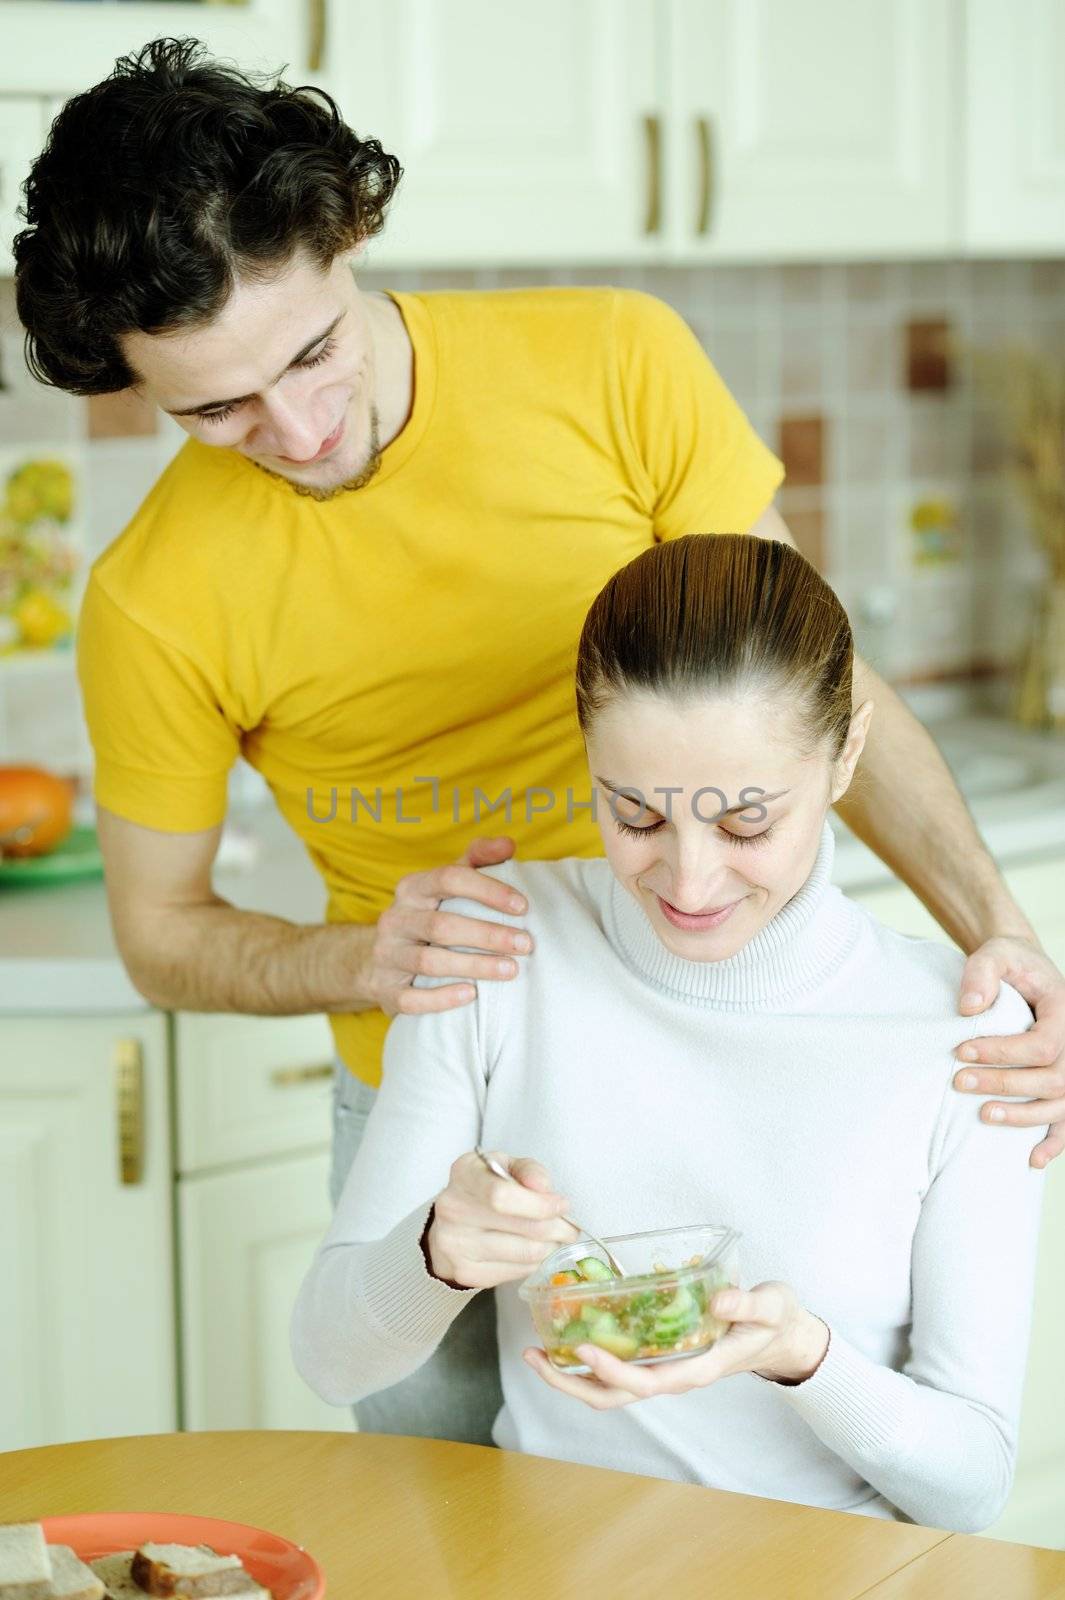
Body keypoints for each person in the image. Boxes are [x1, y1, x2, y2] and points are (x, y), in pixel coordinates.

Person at [13, 38, 1064, 1446]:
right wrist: (361, 959)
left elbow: (810, 680)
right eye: (217, 410)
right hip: (439, 1114)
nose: (301, 425)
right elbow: (163, 934)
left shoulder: (612, 360)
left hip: (731, 1056)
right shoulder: (152, 600)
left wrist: (1000, 930)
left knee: (791, 1475)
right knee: (455, 1537)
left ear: (350, 233)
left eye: (312, 351)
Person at [292, 535, 1044, 1532]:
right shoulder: (496, 950)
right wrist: (434, 1250)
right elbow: (329, 1357)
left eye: (744, 824)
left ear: (847, 755)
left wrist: (804, 1358)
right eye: (637, 814)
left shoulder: (964, 1034)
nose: (689, 884)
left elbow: (973, 1481)